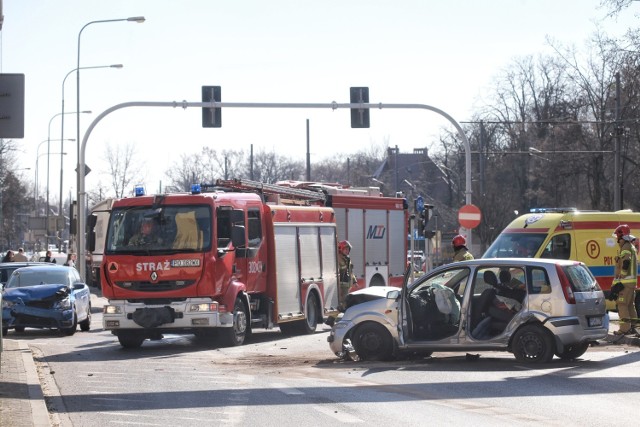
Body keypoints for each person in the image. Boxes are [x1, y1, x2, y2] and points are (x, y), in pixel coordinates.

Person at [612, 224, 638, 336]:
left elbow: (626, 262)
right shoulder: (630, 246)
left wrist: (621, 275)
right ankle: (635, 328)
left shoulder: (626, 247)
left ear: (621, 237)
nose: (617, 241)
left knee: (622, 304)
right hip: (631, 282)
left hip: (626, 282)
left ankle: (624, 329)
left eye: (618, 238)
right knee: (630, 305)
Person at [326, 240, 358, 326]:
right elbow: (335, 273)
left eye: (348, 249)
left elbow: (350, 272)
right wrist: (338, 288)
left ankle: (331, 319)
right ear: (341, 249)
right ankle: (337, 320)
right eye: (345, 249)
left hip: (346, 285)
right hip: (341, 286)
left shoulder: (347, 259)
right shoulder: (338, 259)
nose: (347, 251)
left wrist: (354, 281)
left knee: (343, 304)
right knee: (344, 304)